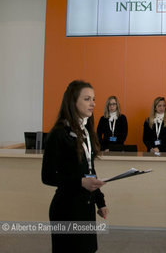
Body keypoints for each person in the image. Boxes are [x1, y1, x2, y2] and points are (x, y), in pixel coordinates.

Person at [42, 80, 108, 253]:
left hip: (85, 207)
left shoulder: (85, 131)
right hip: (66, 209)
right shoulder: (58, 133)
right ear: (73, 101)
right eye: (87, 99)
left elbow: (90, 171)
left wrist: (99, 201)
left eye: (93, 99)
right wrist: (80, 182)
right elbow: (47, 176)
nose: (93, 103)